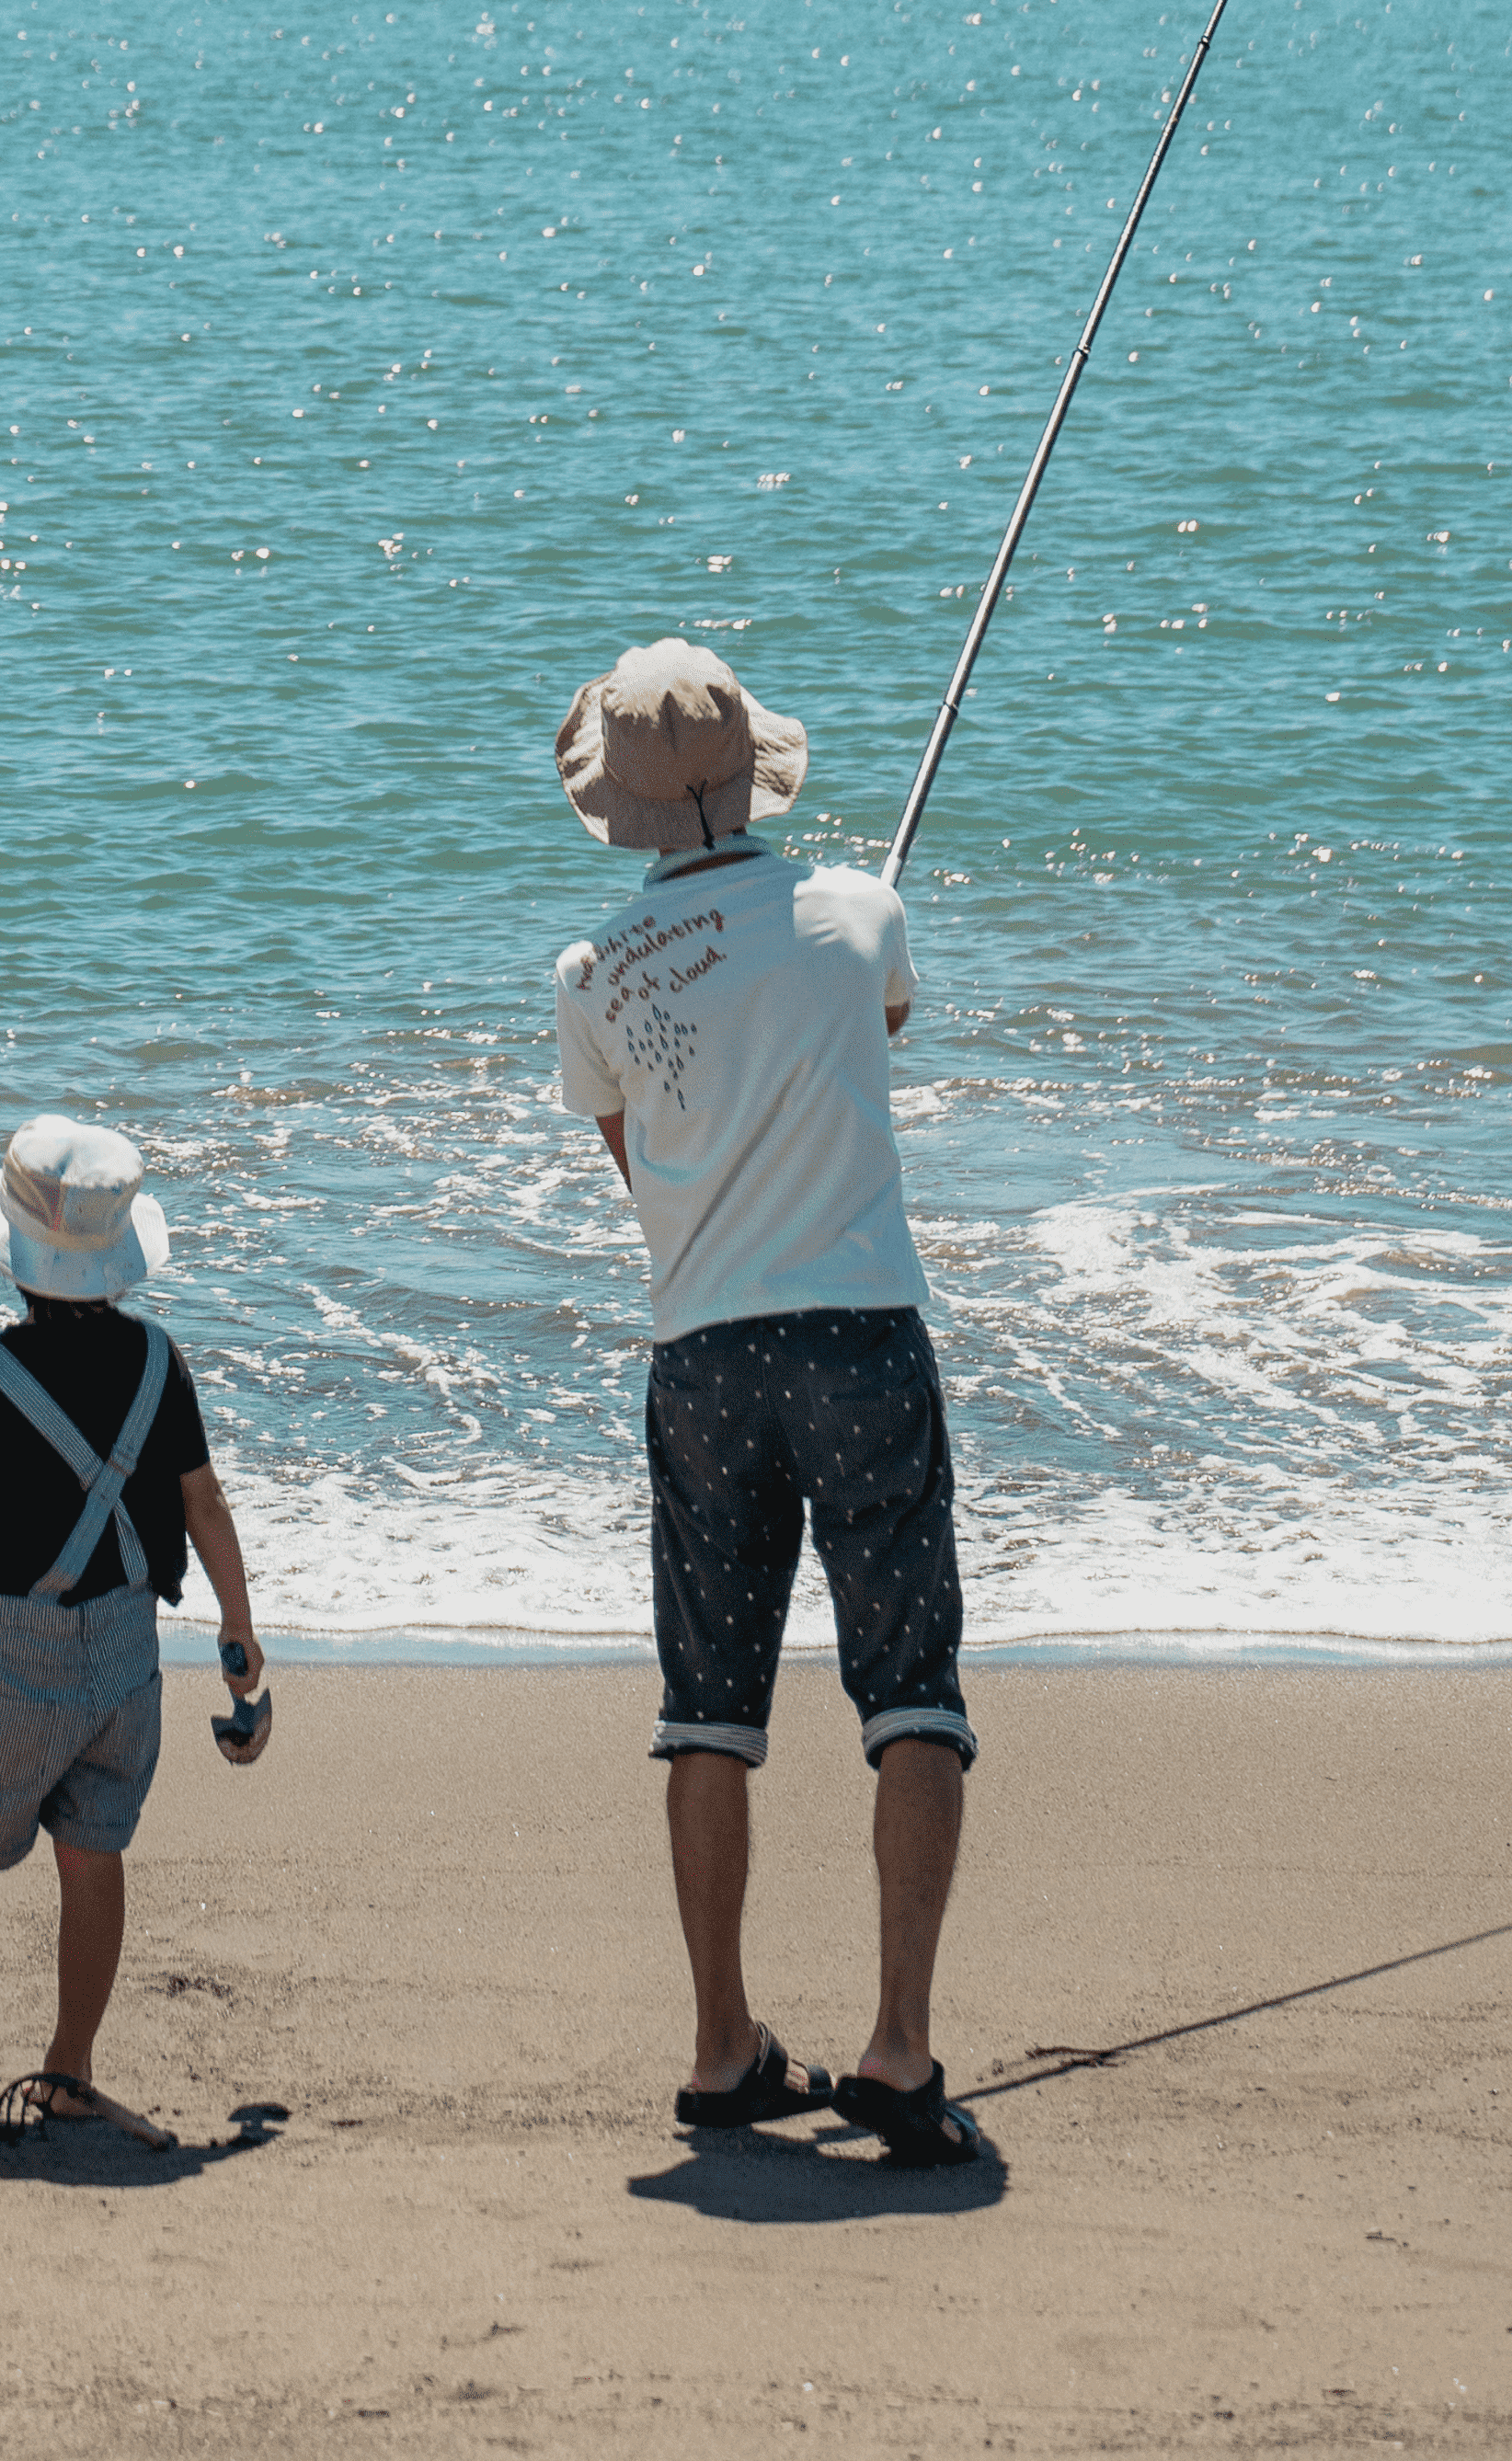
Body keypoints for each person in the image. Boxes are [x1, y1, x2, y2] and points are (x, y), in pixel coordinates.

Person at [549, 640, 989, 2170]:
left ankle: (722, 2043)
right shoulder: (860, 912)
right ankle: (898, 2044)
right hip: (862, 1337)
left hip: (708, 1358)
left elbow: (644, 1172)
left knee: (707, 1713)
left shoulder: (593, 974)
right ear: (748, 770)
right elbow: (879, 1031)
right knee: (909, 1693)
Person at [0, 1113, 265, 2150]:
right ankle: (72, 2065)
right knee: (92, 1853)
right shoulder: (156, 1360)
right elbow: (203, 1502)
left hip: (11, 1653)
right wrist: (237, 1622)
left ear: (14, 1258)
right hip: (127, 1654)